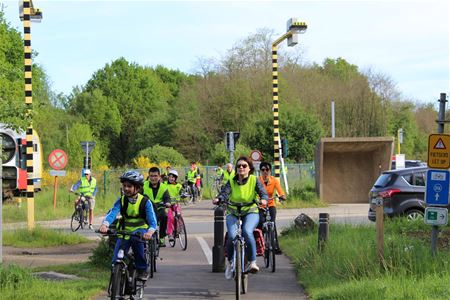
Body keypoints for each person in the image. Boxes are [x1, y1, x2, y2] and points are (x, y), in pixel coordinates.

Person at [213, 156, 268, 279]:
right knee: (232, 236)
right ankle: (231, 263)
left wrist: (264, 199)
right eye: (239, 166)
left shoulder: (254, 180)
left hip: (250, 211)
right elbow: (224, 193)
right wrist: (219, 199)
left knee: (247, 231)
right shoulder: (231, 181)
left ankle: (253, 262)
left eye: (244, 166)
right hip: (233, 212)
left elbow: (262, 192)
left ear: (250, 168)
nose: (241, 168)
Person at [98, 170, 157, 281]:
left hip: (140, 231)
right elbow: (112, 213)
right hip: (124, 232)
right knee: (116, 260)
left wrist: (150, 232)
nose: (126, 189)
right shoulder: (121, 200)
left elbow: (152, 221)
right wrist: (105, 225)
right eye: (124, 186)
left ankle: (142, 269)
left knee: (136, 240)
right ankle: (117, 278)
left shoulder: (145, 202)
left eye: (129, 186)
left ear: (137, 188)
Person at [257, 161, 286, 254]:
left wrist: (282, 195)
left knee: (272, 224)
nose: (265, 172)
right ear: (260, 171)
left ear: (270, 171)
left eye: (267, 170)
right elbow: (253, 192)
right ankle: (259, 246)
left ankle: (276, 247)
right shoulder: (257, 180)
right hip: (260, 205)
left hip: (270, 204)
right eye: (263, 170)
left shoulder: (274, 180)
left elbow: (280, 191)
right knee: (260, 222)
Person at [143, 167, 171, 247]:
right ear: (149, 176)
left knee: (164, 217)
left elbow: (167, 197)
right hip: (147, 208)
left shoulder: (163, 187)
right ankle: (144, 237)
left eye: (155, 176)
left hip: (159, 208)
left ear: (159, 177)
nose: (153, 178)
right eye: (151, 176)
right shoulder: (144, 185)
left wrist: (168, 203)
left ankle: (162, 237)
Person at [165, 169, 182, 243]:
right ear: (168, 177)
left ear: (175, 178)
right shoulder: (164, 184)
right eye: (170, 177)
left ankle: (178, 229)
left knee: (179, 215)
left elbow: (182, 192)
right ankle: (170, 233)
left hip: (176, 203)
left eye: (173, 177)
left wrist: (184, 194)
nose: (171, 178)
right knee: (170, 217)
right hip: (167, 205)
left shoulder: (179, 186)